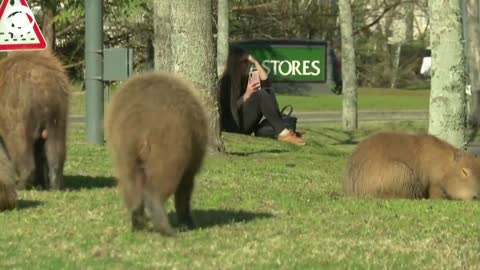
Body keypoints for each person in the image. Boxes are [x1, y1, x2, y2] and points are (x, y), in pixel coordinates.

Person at [217, 46, 305, 146]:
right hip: (233, 125)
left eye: (247, 62)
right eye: (244, 62)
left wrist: (255, 62)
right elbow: (229, 110)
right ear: (235, 63)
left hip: (245, 122)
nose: (246, 65)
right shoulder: (225, 82)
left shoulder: (245, 78)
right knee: (260, 94)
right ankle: (283, 133)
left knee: (267, 91)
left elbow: (265, 81)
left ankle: (283, 130)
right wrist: (247, 95)